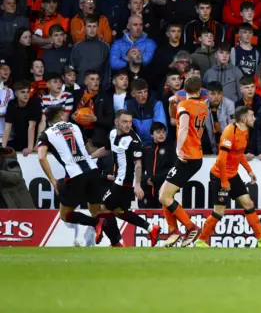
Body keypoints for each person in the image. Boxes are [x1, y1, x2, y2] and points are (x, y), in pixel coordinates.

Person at [194, 106, 261, 248]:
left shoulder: (245, 131)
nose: (254, 119)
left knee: (249, 204)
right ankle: (200, 240)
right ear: (243, 118)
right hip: (219, 176)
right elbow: (222, 160)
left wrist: (249, 170)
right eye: (252, 116)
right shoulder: (230, 132)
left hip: (233, 175)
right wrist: (224, 181)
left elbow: (239, 153)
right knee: (219, 211)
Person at [36, 105, 118, 245]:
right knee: (96, 210)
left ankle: (95, 223)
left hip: (75, 175)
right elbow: (89, 150)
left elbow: (41, 157)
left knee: (65, 215)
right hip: (93, 171)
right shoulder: (75, 127)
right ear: (62, 115)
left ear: (47, 118)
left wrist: (53, 180)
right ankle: (117, 242)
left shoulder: (46, 134)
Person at [90, 110, 161, 247]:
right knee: (119, 211)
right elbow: (107, 149)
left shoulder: (133, 141)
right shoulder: (112, 134)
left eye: (130, 122)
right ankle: (151, 228)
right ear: (116, 122)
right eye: (124, 121)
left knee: (101, 208)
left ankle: (115, 241)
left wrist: (138, 185)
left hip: (125, 182)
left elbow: (138, 164)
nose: (128, 125)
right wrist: (90, 157)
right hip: (119, 180)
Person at [158, 77, 207, 247]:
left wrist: (179, 149)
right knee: (165, 195)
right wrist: (172, 105)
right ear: (199, 90)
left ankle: (190, 227)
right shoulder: (202, 105)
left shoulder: (185, 105)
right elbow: (175, 120)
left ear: (184, 90)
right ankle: (174, 232)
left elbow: (183, 127)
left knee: (164, 195)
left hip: (187, 156)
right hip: (195, 156)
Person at [142, 122, 176, 209]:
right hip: (147, 189)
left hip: (164, 189)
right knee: (147, 215)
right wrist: (145, 179)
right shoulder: (146, 148)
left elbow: (173, 169)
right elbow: (139, 169)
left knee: (164, 216)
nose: (161, 134)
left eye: (163, 132)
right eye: (158, 132)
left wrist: (155, 179)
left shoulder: (170, 148)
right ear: (151, 135)